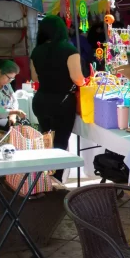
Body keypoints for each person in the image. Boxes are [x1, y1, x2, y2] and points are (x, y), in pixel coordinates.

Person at [31, 15, 86, 181]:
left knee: (47, 142)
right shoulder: (69, 50)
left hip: (41, 101)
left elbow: (35, 78)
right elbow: (78, 78)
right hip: (62, 102)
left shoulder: (36, 51)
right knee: (60, 144)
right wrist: (83, 82)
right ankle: (55, 181)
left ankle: (45, 180)